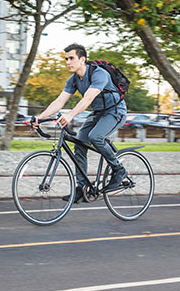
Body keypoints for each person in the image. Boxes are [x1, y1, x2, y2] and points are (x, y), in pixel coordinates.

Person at [31, 43, 128, 203]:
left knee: (96, 136)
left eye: (71, 58)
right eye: (66, 59)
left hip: (115, 111)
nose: (68, 62)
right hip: (97, 113)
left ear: (82, 59)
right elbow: (60, 101)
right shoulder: (74, 79)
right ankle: (81, 188)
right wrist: (40, 117)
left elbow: (88, 98)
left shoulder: (99, 74)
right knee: (80, 144)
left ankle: (119, 169)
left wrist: (70, 115)